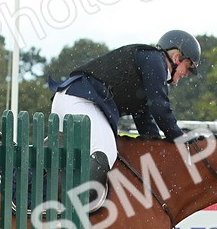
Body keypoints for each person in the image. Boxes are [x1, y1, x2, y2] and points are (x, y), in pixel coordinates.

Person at [51, 30, 200, 199]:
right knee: (105, 151)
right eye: (188, 67)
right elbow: (160, 108)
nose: (186, 73)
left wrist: (158, 149)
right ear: (176, 58)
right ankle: (74, 207)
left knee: (71, 159)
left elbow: (145, 121)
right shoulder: (155, 60)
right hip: (81, 101)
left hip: (71, 99)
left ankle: (52, 198)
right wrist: (180, 138)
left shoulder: (149, 65)